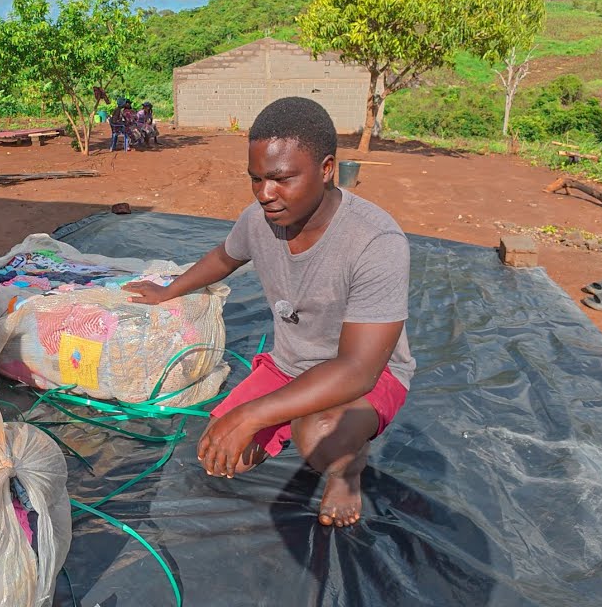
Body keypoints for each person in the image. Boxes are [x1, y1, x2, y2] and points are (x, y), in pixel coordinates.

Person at [123, 96, 413, 528]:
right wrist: (168, 291)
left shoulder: (376, 241)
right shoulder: (259, 220)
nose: (265, 194)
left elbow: (358, 369)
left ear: (327, 168)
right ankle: (296, 414)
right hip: (290, 366)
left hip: (362, 375)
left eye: (280, 179)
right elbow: (225, 257)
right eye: (255, 179)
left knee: (317, 436)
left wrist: (255, 413)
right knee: (220, 455)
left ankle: (347, 471)